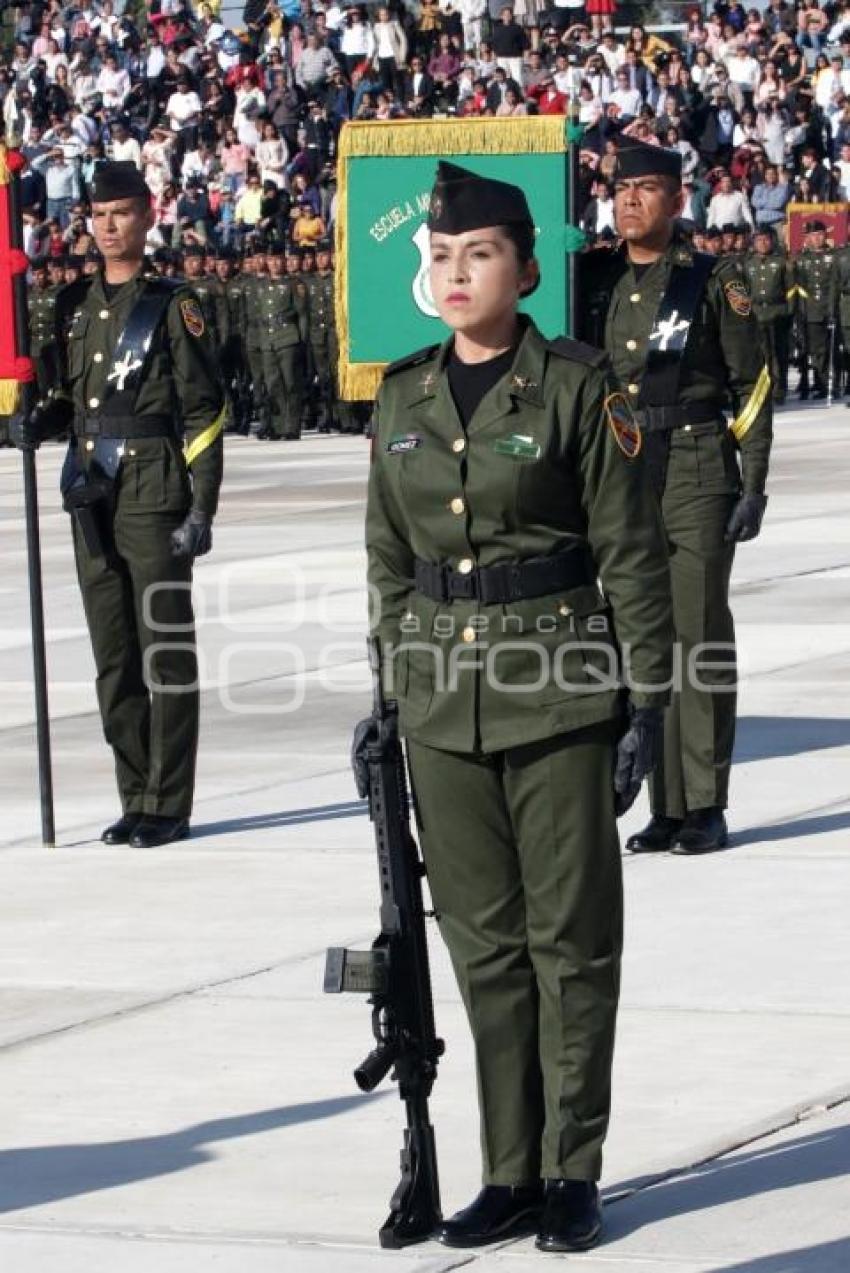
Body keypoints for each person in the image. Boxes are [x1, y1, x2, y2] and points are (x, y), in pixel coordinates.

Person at [364, 161, 672, 1253]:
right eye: (440, 256)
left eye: (478, 252)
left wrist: (646, 699)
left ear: (526, 269)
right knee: (482, 946)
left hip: (559, 691)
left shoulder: (581, 388)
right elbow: (388, 560)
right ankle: (508, 1170)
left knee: (571, 944)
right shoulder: (399, 395)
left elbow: (631, 555)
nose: (454, 271)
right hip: (441, 704)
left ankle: (571, 1167)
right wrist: (390, 683)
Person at [11, 162, 225, 849]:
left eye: (121, 213)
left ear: (148, 215)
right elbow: (68, 399)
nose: (107, 227)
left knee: (165, 649)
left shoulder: (172, 305)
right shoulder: (73, 306)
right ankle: (134, 793)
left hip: (156, 493)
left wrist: (202, 509)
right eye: (98, 215)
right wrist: (32, 423)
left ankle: (169, 801)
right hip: (91, 492)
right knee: (112, 656)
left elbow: (204, 410)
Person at [580, 139, 773, 855]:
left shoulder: (709, 280)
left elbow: (751, 385)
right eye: (621, 189)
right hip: (621, 472)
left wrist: (753, 482)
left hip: (695, 468)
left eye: (647, 189)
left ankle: (704, 801)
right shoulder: (592, 279)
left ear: (678, 199)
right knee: (640, 639)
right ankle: (662, 803)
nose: (630, 200)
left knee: (697, 634)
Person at [743, 227, 793, 403]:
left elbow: (791, 289)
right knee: (761, 355)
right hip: (756, 314)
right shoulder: (748, 264)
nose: (762, 243)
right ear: (753, 243)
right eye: (759, 240)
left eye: (766, 240)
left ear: (772, 241)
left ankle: (779, 390)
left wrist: (790, 313)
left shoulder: (781, 262)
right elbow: (745, 290)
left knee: (778, 354)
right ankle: (765, 389)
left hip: (778, 312)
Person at [793, 218, 838, 399]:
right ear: (807, 237)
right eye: (813, 235)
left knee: (833, 349)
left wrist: (832, 308)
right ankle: (820, 382)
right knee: (816, 350)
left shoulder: (834, 256)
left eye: (820, 234)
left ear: (825, 235)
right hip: (810, 310)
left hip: (830, 307)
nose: (817, 238)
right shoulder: (802, 258)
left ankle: (831, 383)